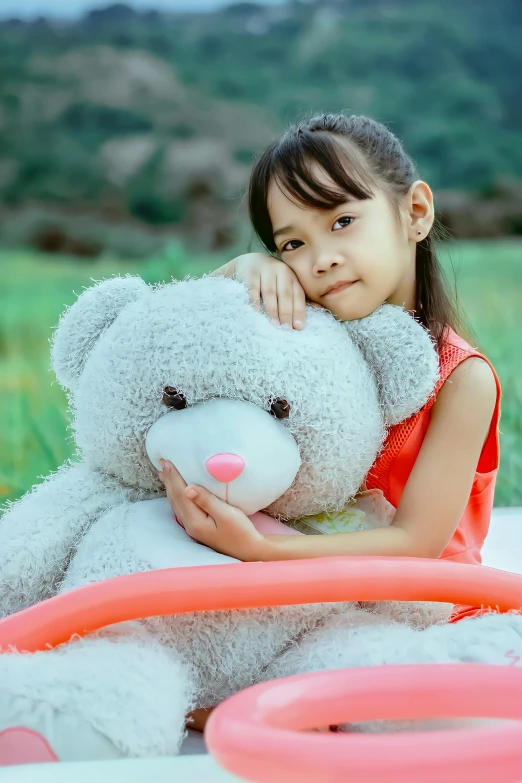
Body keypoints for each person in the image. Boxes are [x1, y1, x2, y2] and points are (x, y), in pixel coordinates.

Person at [159, 113, 501, 731]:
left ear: (414, 212)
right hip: (305, 601)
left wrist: (260, 551)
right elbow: (174, 339)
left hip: (417, 611)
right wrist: (241, 271)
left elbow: (415, 545)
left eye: (342, 221)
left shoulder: (460, 377)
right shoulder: (306, 345)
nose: (319, 260)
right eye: (292, 243)